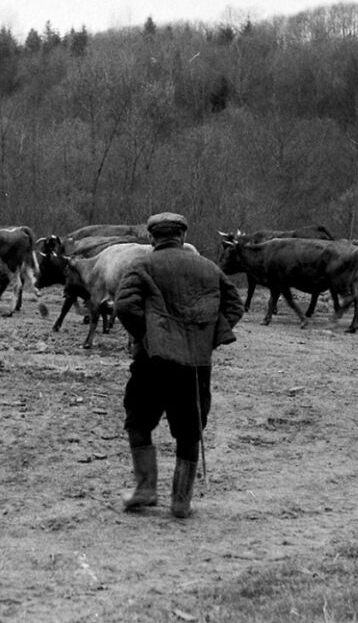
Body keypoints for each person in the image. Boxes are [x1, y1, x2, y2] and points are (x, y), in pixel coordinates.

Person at [114, 212, 244, 518]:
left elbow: (124, 305)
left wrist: (147, 336)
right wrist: (205, 337)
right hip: (195, 365)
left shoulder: (141, 264)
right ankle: (181, 501)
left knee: (138, 421)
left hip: (152, 363)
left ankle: (145, 490)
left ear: (152, 238)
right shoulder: (208, 267)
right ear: (182, 237)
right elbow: (234, 305)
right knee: (189, 430)